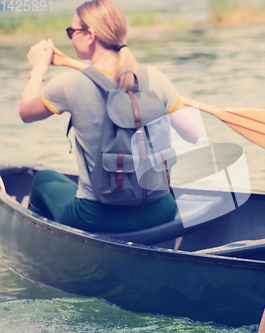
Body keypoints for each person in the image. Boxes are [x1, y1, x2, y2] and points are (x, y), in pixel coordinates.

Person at [19, 0, 199, 232]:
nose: (70, 36)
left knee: (43, 180)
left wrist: (38, 69)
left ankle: (43, 252)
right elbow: (193, 134)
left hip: (98, 217)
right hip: (162, 211)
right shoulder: (156, 77)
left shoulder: (70, 84)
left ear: (90, 35)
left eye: (71, 31)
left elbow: (26, 113)